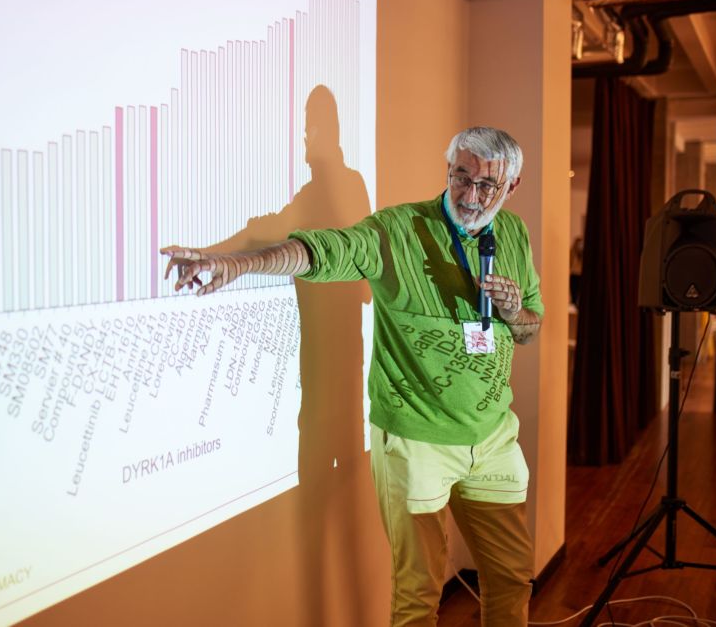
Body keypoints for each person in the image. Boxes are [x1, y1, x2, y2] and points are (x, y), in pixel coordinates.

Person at [162, 126, 543, 627]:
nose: (471, 196)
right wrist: (239, 264)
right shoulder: (397, 229)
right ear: (448, 170)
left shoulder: (513, 233)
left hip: (493, 436)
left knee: (512, 578)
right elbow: (325, 252)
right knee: (419, 592)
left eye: (487, 185)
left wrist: (513, 312)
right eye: (460, 177)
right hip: (416, 438)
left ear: (512, 186)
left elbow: (529, 330)